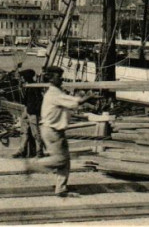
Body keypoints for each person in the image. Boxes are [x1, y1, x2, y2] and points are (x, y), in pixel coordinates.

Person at [24, 66, 94, 197]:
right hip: (52, 131)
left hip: (55, 130)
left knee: (65, 161)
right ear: (50, 78)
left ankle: (61, 189)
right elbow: (74, 102)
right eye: (58, 76)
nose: (61, 78)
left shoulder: (57, 92)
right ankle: (33, 165)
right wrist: (89, 97)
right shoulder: (54, 94)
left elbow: (69, 101)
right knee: (60, 160)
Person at [12, 69, 45, 158]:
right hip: (27, 111)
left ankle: (39, 152)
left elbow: (39, 101)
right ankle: (21, 150)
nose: (21, 79)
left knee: (36, 133)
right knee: (24, 132)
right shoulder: (28, 86)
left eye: (22, 77)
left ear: (26, 77)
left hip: (33, 113)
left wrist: (35, 112)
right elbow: (25, 101)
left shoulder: (34, 87)